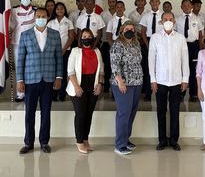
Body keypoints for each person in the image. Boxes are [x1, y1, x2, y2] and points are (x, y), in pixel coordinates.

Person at [17, 8, 63, 154]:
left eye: (43, 16)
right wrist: (20, 80)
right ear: (34, 17)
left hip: (49, 79)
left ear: (48, 18)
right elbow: (20, 59)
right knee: (29, 113)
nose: (41, 18)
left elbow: (59, 58)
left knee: (46, 112)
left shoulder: (55, 35)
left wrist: (59, 77)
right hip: (30, 79)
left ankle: (44, 142)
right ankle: (28, 143)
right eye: (38, 16)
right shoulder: (25, 35)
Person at [149, 12, 189, 151]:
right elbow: (151, 60)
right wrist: (153, 80)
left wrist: (185, 79)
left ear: (174, 21)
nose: (168, 21)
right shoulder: (155, 38)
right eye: (165, 19)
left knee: (174, 111)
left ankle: (173, 140)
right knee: (160, 111)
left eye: (170, 19)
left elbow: (185, 60)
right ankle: (162, 140)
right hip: (160, 81)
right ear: (161, 22)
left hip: (177, 81)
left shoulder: (180, 38)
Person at [66, 28, 103, 154]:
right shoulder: (75, 51)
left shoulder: (97, 51)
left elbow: (101, 70)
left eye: (89, 36)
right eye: (84, 36)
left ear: (93, 38)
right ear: (80, 38)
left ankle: (86, 139)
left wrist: (100, 84)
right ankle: (79, 141)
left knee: (89, 114)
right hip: (78, 85)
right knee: (81, 114)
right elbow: (70, 71)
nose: (86, 38)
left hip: (93, 85)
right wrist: (76, 86)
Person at [110, 21, 143, 155]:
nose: (130, 30)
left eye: (132, 29)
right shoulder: (118, 45)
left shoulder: (136, 44)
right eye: (127, 28)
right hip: (123, 84)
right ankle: (119, 144)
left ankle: (126, 139)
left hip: (137, 82)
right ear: (122, 30)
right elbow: (115, 65)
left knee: (131, 113)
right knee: (123, 113)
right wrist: (120, 81)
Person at [11, 0, 36, 102]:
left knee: (31, 68)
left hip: (32, 43)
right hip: (17, 42)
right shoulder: (14, 10)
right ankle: (19, 93)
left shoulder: (35, 11)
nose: (25, 1)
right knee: (19, 67)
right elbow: (10, 26)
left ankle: (30, 92)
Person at [175, 0, 203, 102]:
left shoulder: (197, 19)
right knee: (181, 69)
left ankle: (193, 93)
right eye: (184, 5)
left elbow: (200, 34)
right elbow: (174, 34)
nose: (186, 7)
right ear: (181, 7)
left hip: (194, 46)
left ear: (191, 6)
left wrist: (200, 49)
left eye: (188, 5)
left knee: (194, 70)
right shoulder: (177, 19)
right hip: (181, 46)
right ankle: (181, 93)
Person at [47, 2, 75, 102]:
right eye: (58, 9)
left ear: (65, 10)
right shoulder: (50, 22)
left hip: (65, 51)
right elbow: (47, 37)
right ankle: (53, 94)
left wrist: (63, 50)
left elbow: (71, 37)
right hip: (52, 52)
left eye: (62, 8)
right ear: (55, 10)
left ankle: (62, 94)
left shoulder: (68, 22)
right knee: (53, 73)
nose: (60, 10)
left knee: (63, 73)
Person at [139, 0, 163, 101]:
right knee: (147, 67)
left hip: (161, 42)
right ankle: (147, 93)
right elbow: (143, 32)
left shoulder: (163, 15)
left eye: (156, 1)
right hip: (147, 42)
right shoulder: (146, 16)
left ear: (159, 2)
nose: (154, 3)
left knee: (160, 68)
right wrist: (148, 45)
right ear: (150, 3)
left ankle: (160, 92)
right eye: (152, 1)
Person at [105, 0, 129, 92]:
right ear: (115, 8)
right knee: (114, 67)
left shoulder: (128, 20)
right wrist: (113, 47)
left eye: (121, 7)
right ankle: (113, 87)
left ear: (124, 8)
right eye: (117, 7)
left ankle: (123, 85)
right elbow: (108, 35)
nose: (119, 9)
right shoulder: (111, 21)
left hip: (125, 45)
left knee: (123, 67)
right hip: (114, 45)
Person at [100, 0, 117, 94]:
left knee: (115, 66)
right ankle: (106, 87)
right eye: (110, 2)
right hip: (105, 43)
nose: (112, 3)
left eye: (113, 1)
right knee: (106, 65)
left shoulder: (119, 14)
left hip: (117, 43)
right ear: (108, 3)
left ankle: (114, 87)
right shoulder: (103, 14)